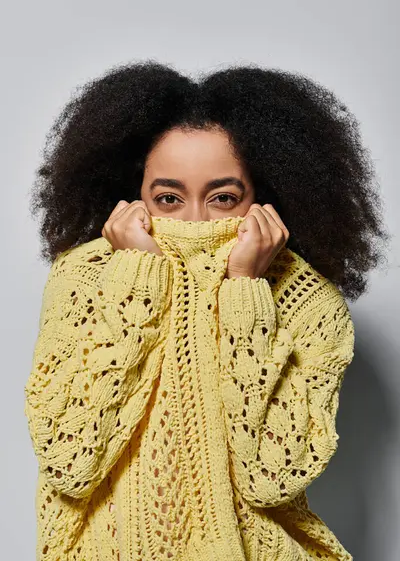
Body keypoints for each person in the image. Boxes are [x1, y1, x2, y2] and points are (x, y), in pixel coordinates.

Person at [24, 60, 390, 561]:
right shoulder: (85, 277)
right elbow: (69, 462)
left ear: (263, 196)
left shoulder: (305, 298)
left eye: (223, 197)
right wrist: (138, 283)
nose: (195, 221)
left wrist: (245, 292)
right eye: (169, 198)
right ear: (135, 195)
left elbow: (272, 477)